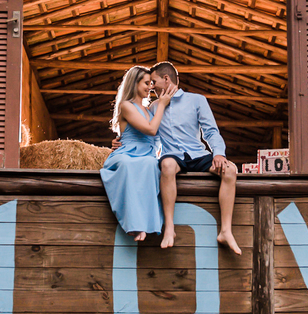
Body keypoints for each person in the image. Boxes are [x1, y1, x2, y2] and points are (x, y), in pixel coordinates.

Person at [148, 61, 240, 255]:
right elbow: (149, 138)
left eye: (153, 82)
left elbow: (211, 131)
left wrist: (218, 153)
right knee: (166, 165)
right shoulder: (153, 108)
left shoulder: (197, 100)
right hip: (172, 156)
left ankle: (225, 231)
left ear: (166, 79)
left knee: (230, 170)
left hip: (198, 154)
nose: (151, 87)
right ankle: (170, 228)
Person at [100, 65, 177, 242]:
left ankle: (146, 224)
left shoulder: (149, 109)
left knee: (151, 165)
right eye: (146, 83)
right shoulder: (126, 106)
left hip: (147, 154)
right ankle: (134, 224)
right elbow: (150, 129)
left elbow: (156, 137)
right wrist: (162, 106)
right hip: (128, 152)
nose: (150, 86)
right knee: (128, 165)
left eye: (151, 82)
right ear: (134, 83)